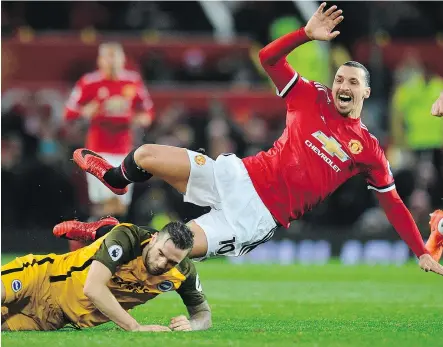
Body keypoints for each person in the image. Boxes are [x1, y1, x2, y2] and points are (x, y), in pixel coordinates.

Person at [72, 3, 443, 275]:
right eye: (340, 79)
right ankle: (114, 179)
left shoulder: (370, 150)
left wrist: (419, 251)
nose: (343, 85)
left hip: (255, 216)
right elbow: (268, 59)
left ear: (367, 92)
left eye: (352, 82)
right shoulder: (311, 96)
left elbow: (392, 203)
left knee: (167, 250)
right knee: (147, 154)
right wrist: (304, 35)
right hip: (237, 175)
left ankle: (108, 231)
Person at [1, 220, 211, 332]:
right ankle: (102, 228)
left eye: (172, 261)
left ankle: (101, 228)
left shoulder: (182, 272)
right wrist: (135, 327)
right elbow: (93, 288)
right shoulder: (128, 237)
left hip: (54, 319)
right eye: (161, 254)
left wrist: (192, 325)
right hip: (40, 278)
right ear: (154, 239)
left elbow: (203, 315)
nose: (162, 264)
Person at [64, 42, 155, 251]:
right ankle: (90, 246)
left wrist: (136, 118)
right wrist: (87, 112)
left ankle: (88, 239)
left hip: (124, 152)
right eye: (108, 57)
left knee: (120, 204)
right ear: (100, 60)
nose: (112, 62)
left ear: (123, 59)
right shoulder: (89, 82)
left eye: (116, 57)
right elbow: (69, 112)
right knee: (103, 203)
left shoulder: (132, 81)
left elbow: (148, 113)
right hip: (98, 151)